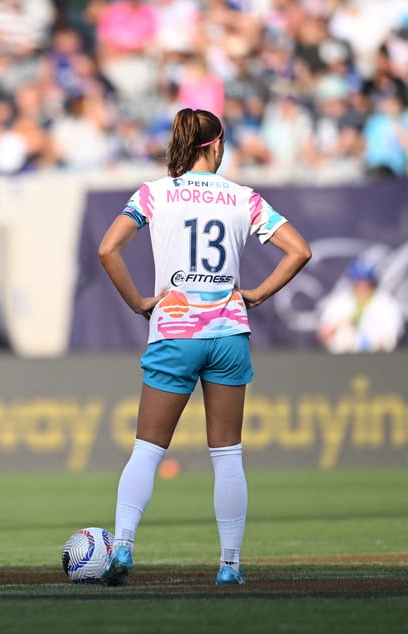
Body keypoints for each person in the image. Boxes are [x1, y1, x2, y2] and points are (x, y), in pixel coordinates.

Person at [96, 108, 311, 586]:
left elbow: (108, 248)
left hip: (174, 329)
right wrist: (255, 293)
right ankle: (230, 565)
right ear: (215, 145)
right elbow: (300, 250)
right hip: (228, 332)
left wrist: (138, 303)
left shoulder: (154, 193)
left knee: (147, 450)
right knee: (227, 454)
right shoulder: (243, 197)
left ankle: (124, 547)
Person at [317, 259, 404, 354]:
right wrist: (340, 325)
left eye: (366, 281)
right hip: (343, 360)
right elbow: (323, 334)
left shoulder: (386, 303)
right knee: (344, 334)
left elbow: (392, 337)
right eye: (358, 281)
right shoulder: (339, 302)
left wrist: (368, 342)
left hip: (378, 359)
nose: (362, 285)